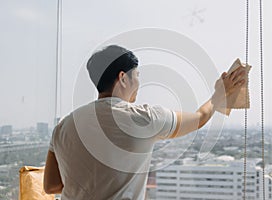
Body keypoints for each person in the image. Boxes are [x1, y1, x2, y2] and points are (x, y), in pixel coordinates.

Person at [44, 45, 246, 200]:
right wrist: (219, 94)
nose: (139, 84)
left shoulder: (63, 126)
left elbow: (51, 186)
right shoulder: (144, 118)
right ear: (123, 78)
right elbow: (200, 118)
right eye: (137, 76)